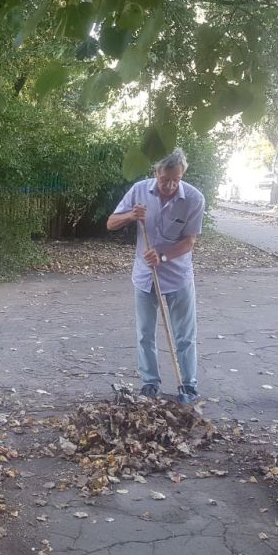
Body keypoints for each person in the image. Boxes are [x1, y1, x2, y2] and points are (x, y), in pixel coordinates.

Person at [106, 148, 205, 400]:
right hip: (144, 277)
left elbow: (189, 242)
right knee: (145, 333)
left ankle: (188, 386)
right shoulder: (139, 190)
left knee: (184, 335)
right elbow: (110, 223)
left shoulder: (194, 199)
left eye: (176, 179)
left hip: (178, 276)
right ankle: (150, 383)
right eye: (165, 179)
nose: (170, 185)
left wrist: (162, 257)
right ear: (156, 173)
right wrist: (131, 215)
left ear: (182, 175)